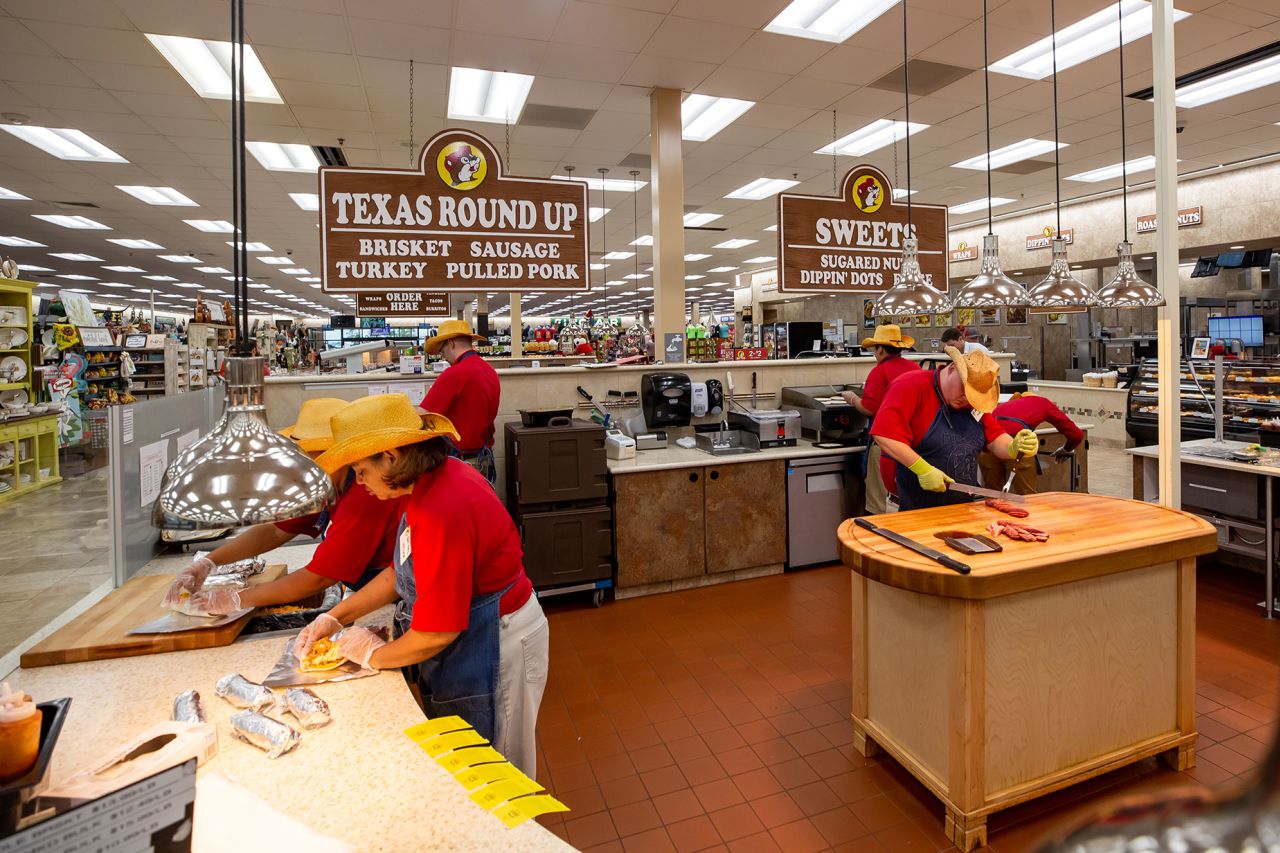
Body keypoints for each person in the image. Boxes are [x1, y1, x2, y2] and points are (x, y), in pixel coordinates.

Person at [294, 395, 548, 776]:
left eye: (362, 470)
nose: (358, 482)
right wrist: (335, 617)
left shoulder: (442, 508)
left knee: (498, 771)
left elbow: (436, 632)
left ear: (392, 457)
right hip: (475, 636)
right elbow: (401, 574)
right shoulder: (424, 487)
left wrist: (372, 656)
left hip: (500, 640)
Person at [162, 398, 408, 613]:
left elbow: (318, 578)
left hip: (398, 600)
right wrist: (208, 563)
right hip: (375, 593)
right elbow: (276, 529)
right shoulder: (329, 484)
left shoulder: (367, 494)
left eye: (309, 457)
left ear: (338, 455)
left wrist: (236, 599)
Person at [871, 347, 1040, 512]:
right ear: (952, 369)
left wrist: (1014, 446)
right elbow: (884, 434)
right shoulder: (911, 385)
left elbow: (996, 440)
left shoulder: (972, 406)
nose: (967, 399)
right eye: (965, 390)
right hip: (911, 508)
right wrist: (923, 469)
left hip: (962, 510)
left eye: (973, 396)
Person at [842, 324, 921, 514]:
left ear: (880, 349)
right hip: (914, 444)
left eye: (875, 349)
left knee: (879, 505)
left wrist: (852, 399)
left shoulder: (879, 372)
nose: (874, 353)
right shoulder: (915, 368)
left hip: (886, 445)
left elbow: (870, 408)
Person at [423, 320, 500, 485]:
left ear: (450, 343)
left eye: (443, 350)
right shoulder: (489, 371)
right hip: (484, 459)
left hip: (461, 464)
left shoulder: (454, 374)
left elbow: (423, 415)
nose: (444, 356)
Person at [978, 392, 1085, 495]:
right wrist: (1066, 449)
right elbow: (1076, 434)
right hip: (1018, 444)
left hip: (989, 446)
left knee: (991, 497)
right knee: (1028, 497)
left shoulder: (1005, 405)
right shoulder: (1043, 402)